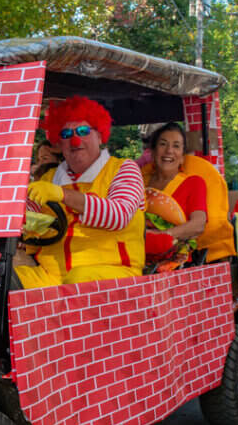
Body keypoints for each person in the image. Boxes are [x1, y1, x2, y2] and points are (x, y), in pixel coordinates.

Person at [16, 96, 145, 288]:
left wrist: (63, 195)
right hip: (51, 276)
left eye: (83, 131)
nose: (75, 140)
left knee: (79, 281)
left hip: (114, 272)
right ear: (59, 143)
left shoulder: (124, 169)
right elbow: (24, 219)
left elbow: (119, 215)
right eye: (66, 134)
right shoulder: (48, 178)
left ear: (100, 135)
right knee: (5, 279)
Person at [139, 122, 208, 262]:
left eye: (176, 146)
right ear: (152, 152)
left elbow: (198, 224)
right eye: (163, 144)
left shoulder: (194, 182)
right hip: (135, 255)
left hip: (175, 261)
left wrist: (162, 237)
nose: (169, 151)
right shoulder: (138, 182)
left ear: (182, 156)